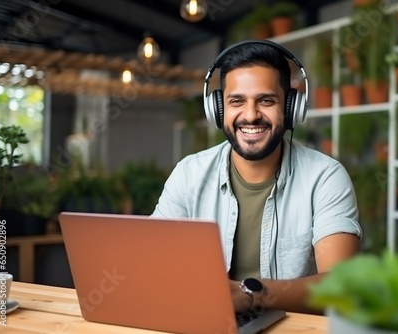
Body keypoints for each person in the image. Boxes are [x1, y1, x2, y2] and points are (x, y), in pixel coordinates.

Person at [151, 40, 362, 315]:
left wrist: (252, 294)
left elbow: (341, 287)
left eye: (266, 100)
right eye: (236, 101)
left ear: (290, 108)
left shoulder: (325, 178)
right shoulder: (189, 174)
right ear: (217, 109)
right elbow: (153, 262)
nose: (250, 116)